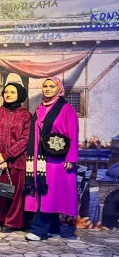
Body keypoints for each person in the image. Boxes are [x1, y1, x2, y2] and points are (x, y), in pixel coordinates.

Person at [24, 77, 79, 241]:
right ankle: (53, 228)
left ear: (59, 89)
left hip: (57, 159)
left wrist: (71, 158)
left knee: (47, 192)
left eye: (51, 86)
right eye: (45, 86)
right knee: (49, 193)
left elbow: (73, 134)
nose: (47, 89)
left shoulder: (66, 109)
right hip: (40, 158)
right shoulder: (40, 108)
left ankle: (39, 230)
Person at [0, 83, 31, 233]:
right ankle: (0, 218)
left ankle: (13, 222)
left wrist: (7, 155)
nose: (8, 94)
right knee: (1, 191)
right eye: (6, 91)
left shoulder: (26, 115)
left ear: (19, 95)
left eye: (12, 92)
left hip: (17, 160)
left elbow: (25, 139)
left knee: (16, 193)